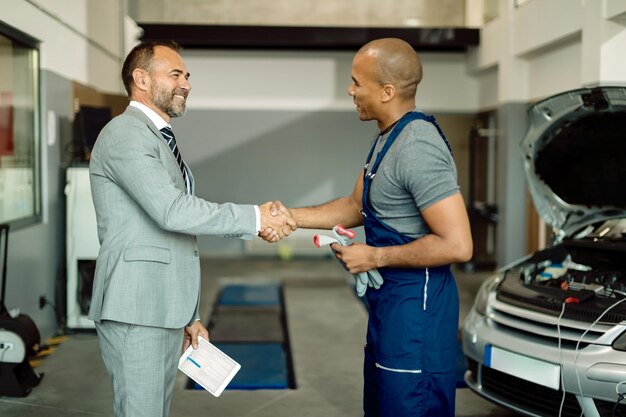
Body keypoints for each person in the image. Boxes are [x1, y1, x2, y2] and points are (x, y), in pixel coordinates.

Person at [266, 38, 472, 416]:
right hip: (389, 306)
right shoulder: (387, 138)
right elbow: (355, 205)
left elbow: (458, 245)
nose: (351, 90)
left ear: (387, 91)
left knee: (411, 405)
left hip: (418, 312)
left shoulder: (418, 146)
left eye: (357, 82)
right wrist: (289, 217)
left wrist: (374, 255)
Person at [88, 41, 294, 417]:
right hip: (138, 308)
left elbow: (175, 239)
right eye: (175, 74)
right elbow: (172, 211)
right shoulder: (126, 134)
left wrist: (190, 314)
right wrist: (255, 218)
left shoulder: (158, 138)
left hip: (162, 308)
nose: (186, 84)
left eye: (187, 76)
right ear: (141, 79)